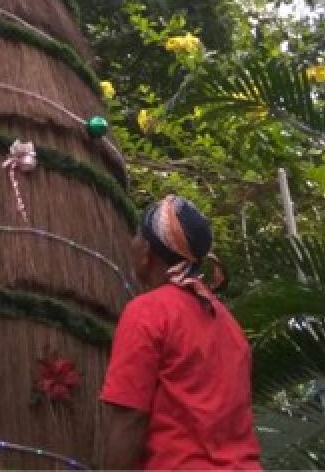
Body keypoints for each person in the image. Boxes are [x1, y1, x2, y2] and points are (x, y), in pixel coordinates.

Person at [100, 194, 262, 470]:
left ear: (147, 251)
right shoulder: (230, 326)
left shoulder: (148, 312)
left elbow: (130, 420)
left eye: (138, 234)